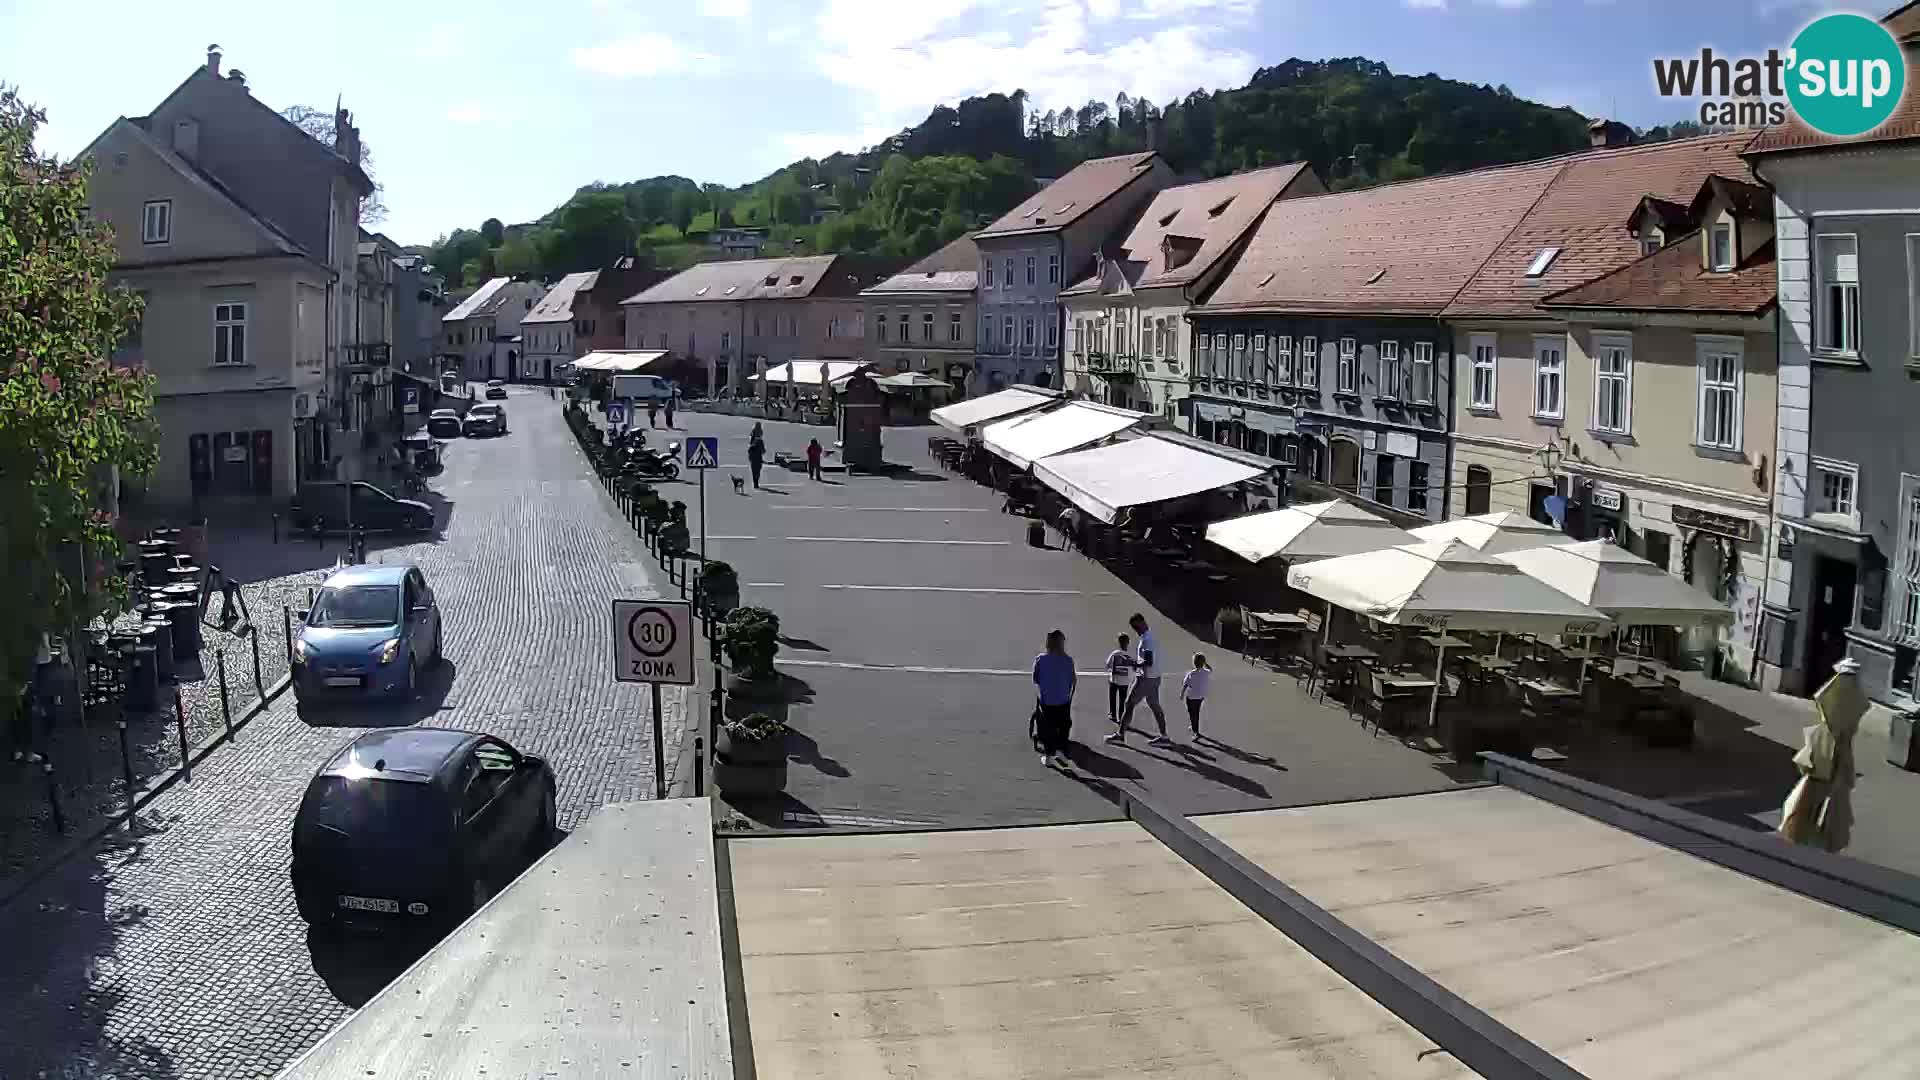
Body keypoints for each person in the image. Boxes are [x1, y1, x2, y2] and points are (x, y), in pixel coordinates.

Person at [1109, 613, 1169, 747]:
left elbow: (1148, 661)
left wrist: (1133, 664)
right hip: (1154, 677)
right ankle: (1164, 737)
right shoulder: (1149, 637)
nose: (1136, 630)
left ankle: (1120, 735)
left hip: (1146, 679)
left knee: (1129, 703)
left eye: (1136, 627)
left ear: (1141, 623)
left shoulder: (1147, 640)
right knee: (1154, 705)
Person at [1031, 629, 1076, 770]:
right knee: (1064, 725)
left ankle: (1049, 756)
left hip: (1047, 700)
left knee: (1046, 726)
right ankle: (1061, 750)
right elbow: (1073, 681)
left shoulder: (1040, 659)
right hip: (1063, 700)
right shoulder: (1068, 660)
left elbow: (1035, 679)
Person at [1104, 633, 1134, 727]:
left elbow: (1108, 665)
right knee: (1123, 699)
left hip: (1114, 680)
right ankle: (1121, 716)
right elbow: (1134, 668)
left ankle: (1113, 714)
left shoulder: (1115, 653)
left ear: (1119, 642)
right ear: (1128, 642)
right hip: (1125, 682)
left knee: (1112, 697)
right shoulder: (1130, 655)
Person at [1181, 654, 1211, 740]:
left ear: (1194, 663)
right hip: (1200, 697)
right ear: (1203, 663)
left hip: (1191, 697)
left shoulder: (1191, 674)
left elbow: (1185, 685)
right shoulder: (1206, 672)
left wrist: (1182, 694)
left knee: (1192, 713)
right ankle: (1194, 726)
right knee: (1196, 712)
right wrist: (1205, 663)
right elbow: (1210, 669)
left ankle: (1195, 732)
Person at [747, 424, 766, 489]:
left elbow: (749, 448)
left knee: (754, 470)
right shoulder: (760, 440)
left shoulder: (752, 437)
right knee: (757, 470)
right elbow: (763, 451)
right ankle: (756, 482)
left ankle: (755, 482)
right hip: (758, 457)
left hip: (752, 457)